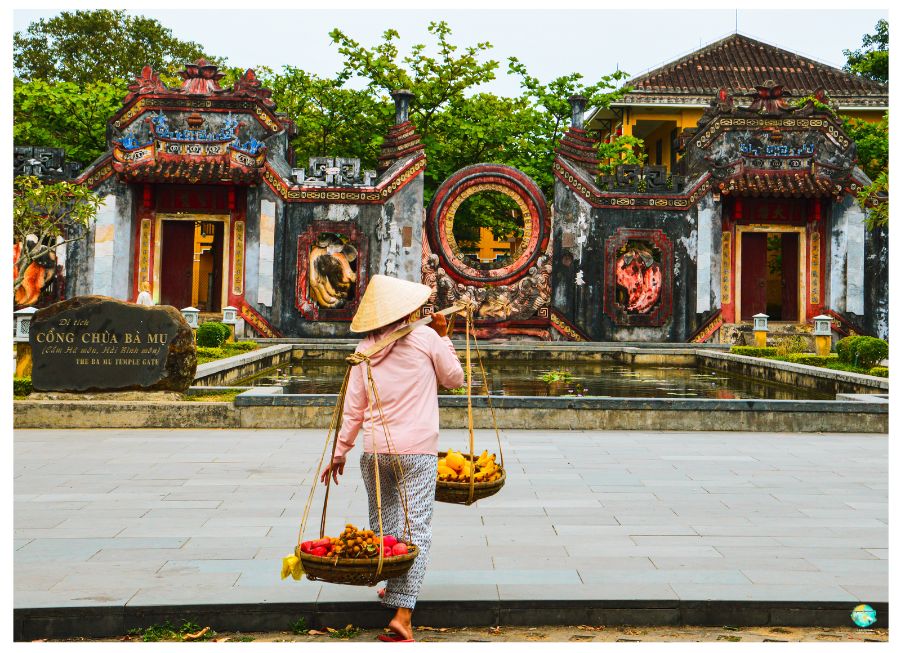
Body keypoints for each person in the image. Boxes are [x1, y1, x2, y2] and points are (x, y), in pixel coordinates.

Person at [320, 274, 464, 643]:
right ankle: (402, 615)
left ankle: (393, 586)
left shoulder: (365, 348)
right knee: (417, 529)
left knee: (386, 526)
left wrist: (339, 453)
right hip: (417, 452)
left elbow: (353, 410)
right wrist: (445, 335)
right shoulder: (427, 337)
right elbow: (454, 379)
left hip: (375, 452)